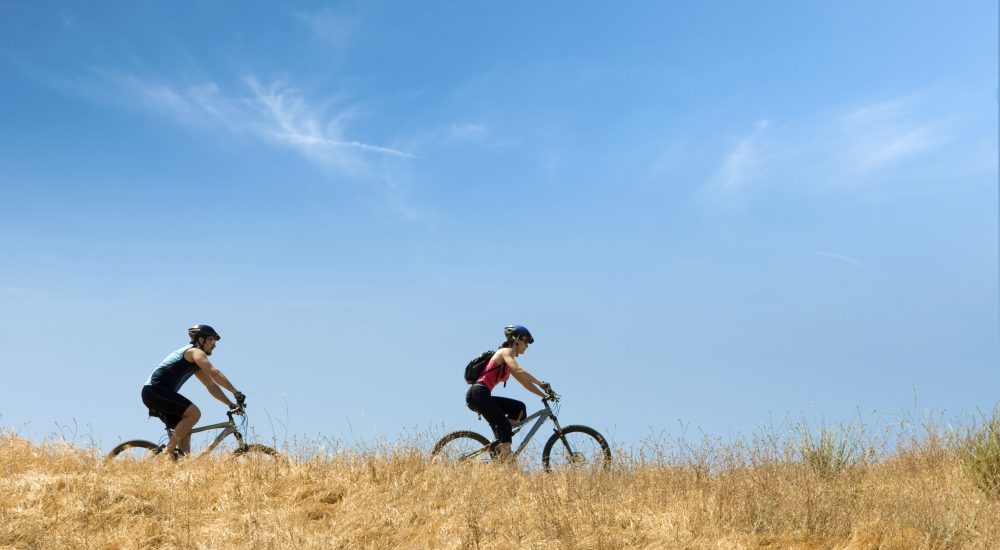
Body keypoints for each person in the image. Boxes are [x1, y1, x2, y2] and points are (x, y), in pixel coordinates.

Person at [140, 324, 245, 457]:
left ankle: (184, 465)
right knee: (194, 413)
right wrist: (236, 392)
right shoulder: (195, 352)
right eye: (211, 340)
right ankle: (167, 453)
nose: (214, 345)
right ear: (200, 339)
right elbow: (214, 372)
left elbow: (211, 386)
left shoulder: (195, 363)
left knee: (184, 429)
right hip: (155, 390)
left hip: (155, 392)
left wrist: (230, 404)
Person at [466, 325, 552, 461]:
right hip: (478, 394)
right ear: (517, 339)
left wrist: (544, 395)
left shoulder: (507, 361)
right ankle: (507, 461)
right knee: (504, 425)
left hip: (482, 395)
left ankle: (499, 440)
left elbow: (525, 383)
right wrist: (541, 383)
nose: (527, 346)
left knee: (519, 408)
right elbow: (519, 370)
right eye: (526, 341)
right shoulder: (505, 352)